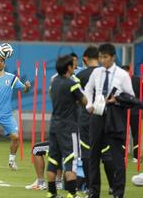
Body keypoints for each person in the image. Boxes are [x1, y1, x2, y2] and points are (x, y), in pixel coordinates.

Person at [85, 43, 134, 198]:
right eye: (100, 57)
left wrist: (117, 101)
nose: (102, 60)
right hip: (97, 117)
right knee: (93, 156)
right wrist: (89, 105)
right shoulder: (96, 73)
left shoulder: (122, 75)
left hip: (114, 118)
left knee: (117, 157)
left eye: (105, 57)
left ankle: (118, 193)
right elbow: (87, 89)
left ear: (113, 57)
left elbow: (131, 97)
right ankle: (94, 192)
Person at [76, 46, 115, 195]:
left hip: (87, 119)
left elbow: (76, 98)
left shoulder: (80, 76)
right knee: (107, 153)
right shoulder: (106, 74)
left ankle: (91, 188)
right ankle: (112, 186)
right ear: (98, 58)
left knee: (87, 153)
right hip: (106, 117)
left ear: (84, 58)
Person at [47, 55, 87, 198]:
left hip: (54, 125)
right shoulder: (72, 84)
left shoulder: (54, 83)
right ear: (69, 67)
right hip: (68, 127)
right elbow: (84, 101)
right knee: (71, 159)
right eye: (73, 65)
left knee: (53, 159)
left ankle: (51, 193)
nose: (74, 67)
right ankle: (72, 193)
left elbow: (52, 96)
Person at [121, 65, 140, 163]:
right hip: (127, 111)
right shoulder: (137, 80)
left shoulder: (136, 80)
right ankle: (129, 155)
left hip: (132, 111)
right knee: (130, 133)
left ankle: (134, 156)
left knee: (134, 133)